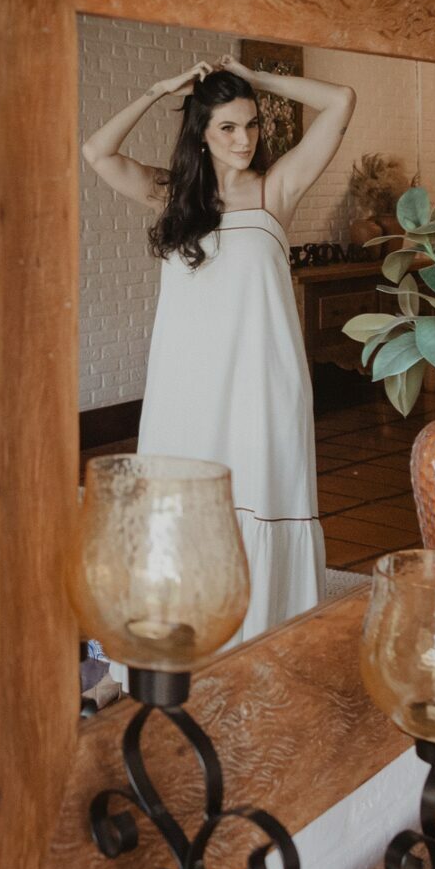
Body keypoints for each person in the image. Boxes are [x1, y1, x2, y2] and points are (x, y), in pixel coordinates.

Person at [82, 54, 355, 642]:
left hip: (262, 383)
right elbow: (97, 152)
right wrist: (159, 89)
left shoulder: (277, 189)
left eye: (251, 124)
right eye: (227, 127)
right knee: (182, 504)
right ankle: (181, 635)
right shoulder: (173, 197)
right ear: (201, 134)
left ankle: (264, 637)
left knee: (259, 494)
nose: (244, 139)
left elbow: (341, 101)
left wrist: (259, 80)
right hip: (185, 389)